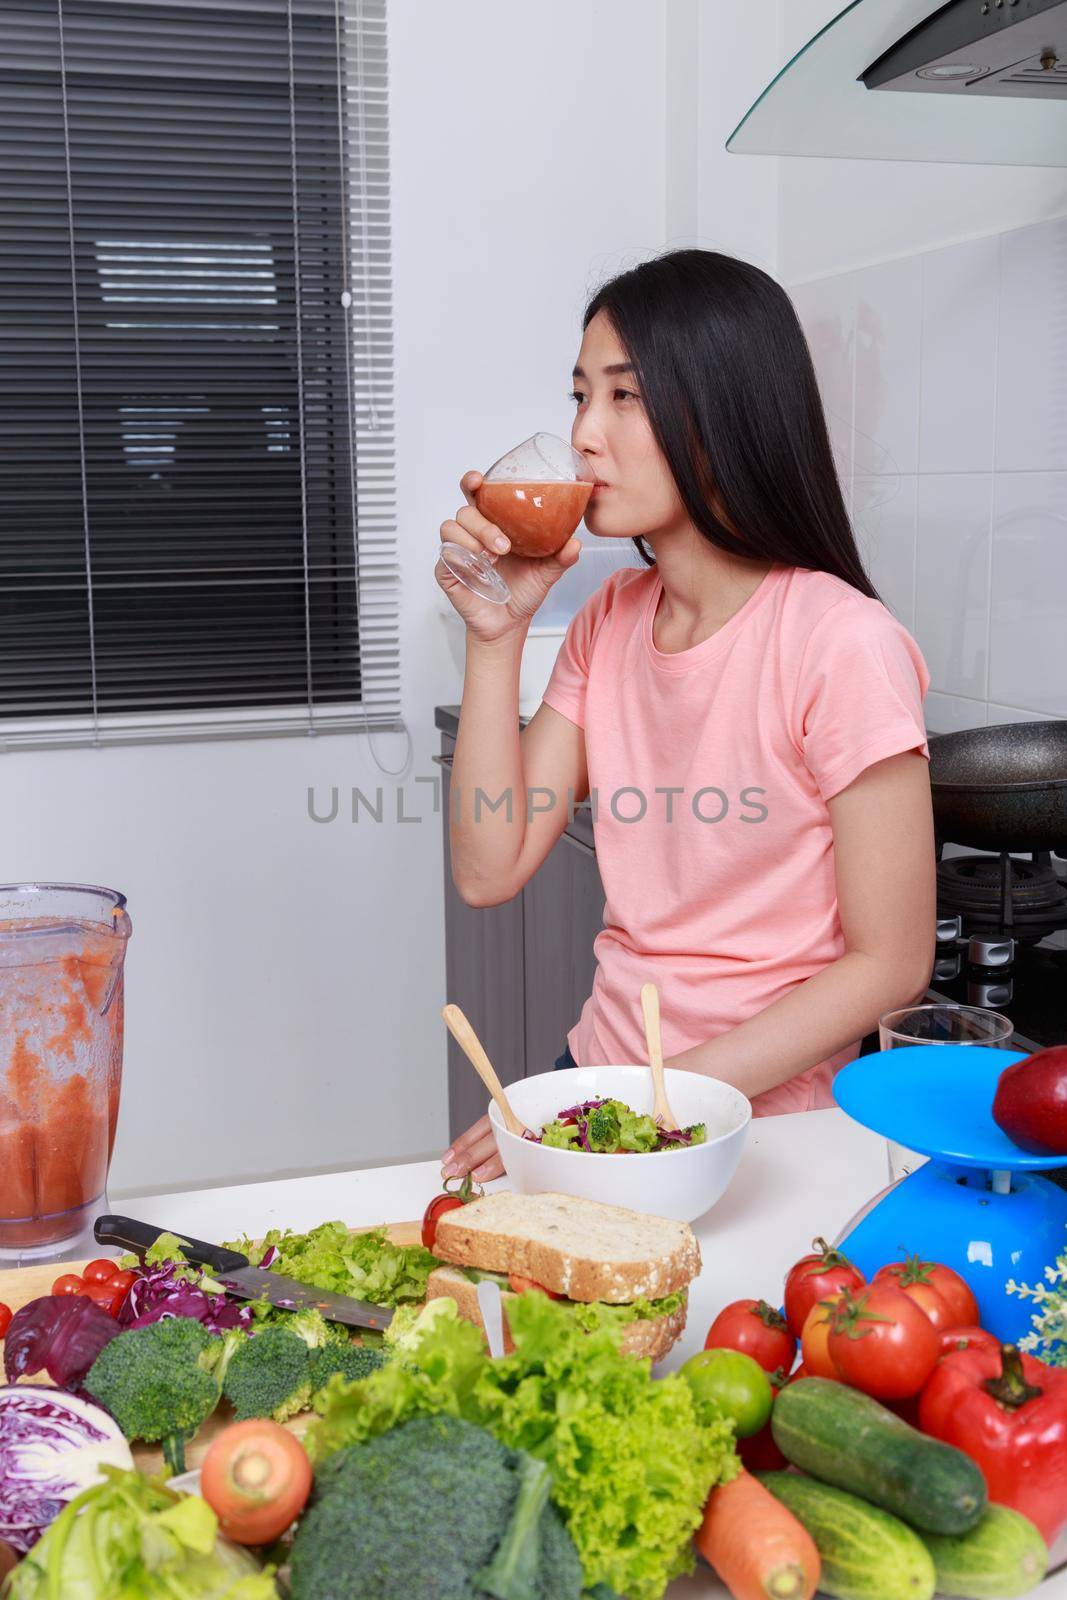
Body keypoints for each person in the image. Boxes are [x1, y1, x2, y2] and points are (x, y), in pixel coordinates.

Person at [436, 248, 935, 1184]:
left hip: (762, 1123)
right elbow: (486, 866)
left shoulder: (841, 642)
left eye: (624, 397)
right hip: (601, 1075)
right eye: (580, 396)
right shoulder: (609, 620)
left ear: (727, 412)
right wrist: (496, 636)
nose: (584, 434)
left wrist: (647, 1116)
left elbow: (890, 962)